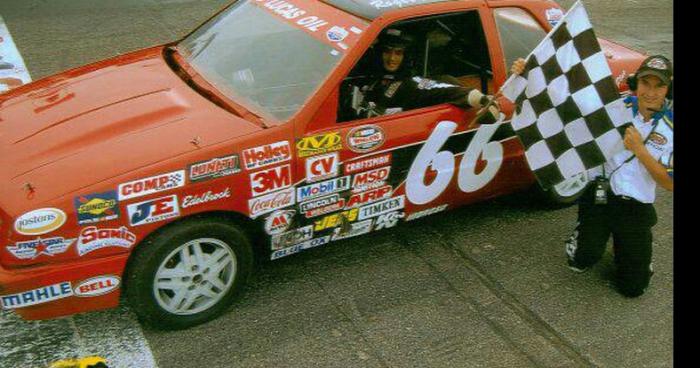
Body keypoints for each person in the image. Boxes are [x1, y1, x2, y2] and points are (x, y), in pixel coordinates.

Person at [511, 55, 673, 297]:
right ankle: (587, 237)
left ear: (668, 88)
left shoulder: (670, 128)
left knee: (633, 289)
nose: (650, 92)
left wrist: (640, 150)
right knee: (579, 261)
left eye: (658, 85)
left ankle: (634, 255)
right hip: (600, 196)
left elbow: (669, 183)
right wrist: (529, 74)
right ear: (634, 83)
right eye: (645, 83)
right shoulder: (614, 107)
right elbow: (563, 100)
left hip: (636, 207)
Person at [346, 28, 500, 123]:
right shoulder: (367, 73)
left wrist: (484, 100)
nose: (392, 58)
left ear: (406, 56)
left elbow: (445, 89)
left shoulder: (410, 84)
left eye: (398, 53)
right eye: (387, 51)